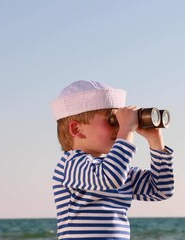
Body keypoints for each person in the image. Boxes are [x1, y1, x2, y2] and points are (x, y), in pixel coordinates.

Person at [51, 80, 175, 240]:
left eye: (119, 122)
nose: (118, 128)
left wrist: (156, 142)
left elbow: (160, 189)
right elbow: (110, 178)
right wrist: (126, 129)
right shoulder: (70, 164)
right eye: (112, 121)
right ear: (77, 129)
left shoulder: (117, 169)